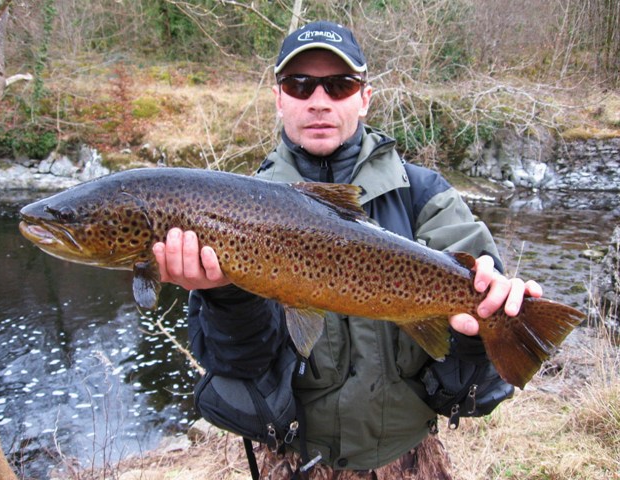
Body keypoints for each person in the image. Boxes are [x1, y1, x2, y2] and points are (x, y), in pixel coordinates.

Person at [152, 21, 543, 479]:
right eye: (299, 85)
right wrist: (226, 295)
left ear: (364, 97)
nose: (319, 101)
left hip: (411, 461)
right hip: (296, 463)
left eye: (339, 85)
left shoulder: (424, 195)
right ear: (279, 98)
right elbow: (237, 364)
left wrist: (485, 320)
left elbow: (476, 300)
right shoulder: (233, 210)